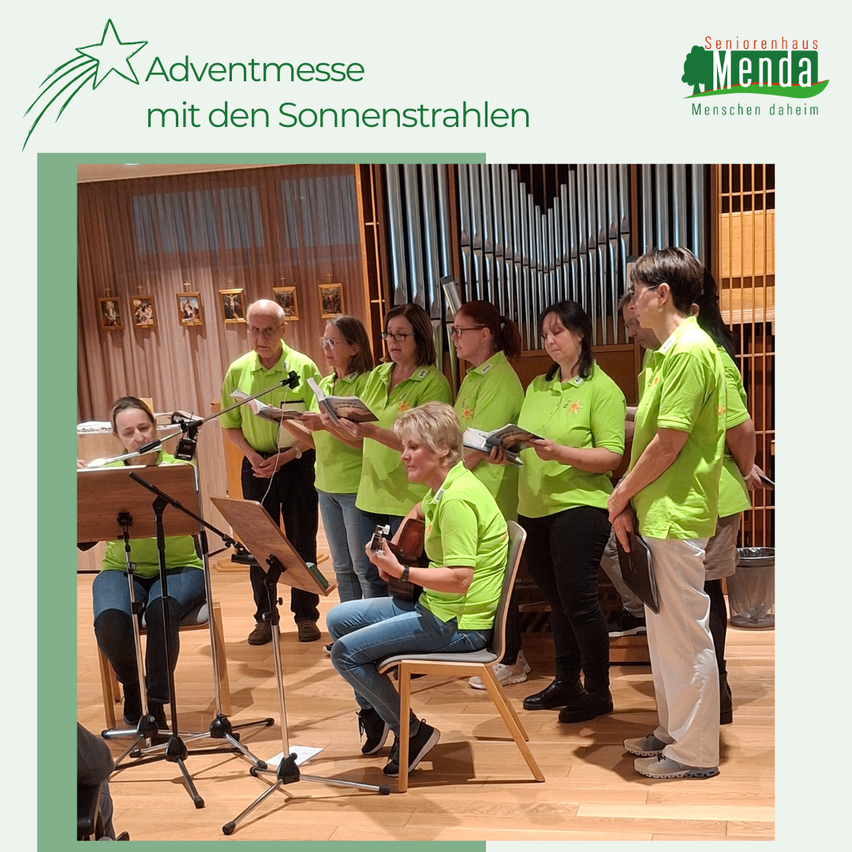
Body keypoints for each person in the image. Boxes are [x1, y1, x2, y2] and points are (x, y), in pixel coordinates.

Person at [326, 403, 509, 777]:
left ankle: (411, 732)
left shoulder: (457, 499)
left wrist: (402, 569)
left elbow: (460, 578)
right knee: (338, 619)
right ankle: (377, 712)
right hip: (439, 608)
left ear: (442, 448)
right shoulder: (446, 486)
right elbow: (421, 510)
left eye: (413, 447)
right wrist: (393, 541)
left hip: (458, 625)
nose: (403, 455)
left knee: (344, 654)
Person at [608, 246, 726, 780]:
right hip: (659, 513)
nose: (631, 304)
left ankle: (695, 753)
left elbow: (669, 442)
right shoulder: (668, 351)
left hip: (676, 513)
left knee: (685, 635)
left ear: (662, 295)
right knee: (664, 635)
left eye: (636, 293)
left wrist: (620, 493)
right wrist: (630, 500)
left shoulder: (689, 350)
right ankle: (673, 730)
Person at [515, 301, 626, 724]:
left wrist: (560, 452)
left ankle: (599, 690)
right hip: (535, 506)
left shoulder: (602, 388)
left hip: (581, 506)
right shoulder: (537, 388)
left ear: (581, 334)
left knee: (579, 603)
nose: (549, 340)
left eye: (558, 331)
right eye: (545, 333)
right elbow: (528, 442)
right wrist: (506, 450)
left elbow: (612, 456)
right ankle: (567, 681)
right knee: (556, 601)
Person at [90, 397, 206, 730]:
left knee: (160, 610)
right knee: (109, 620)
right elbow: (84, 539)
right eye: (129, 432)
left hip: (180, 566)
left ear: (155, 428)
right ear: (117, 437)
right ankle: (131, 686)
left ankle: (155, 700)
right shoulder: (106, 474)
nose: (139, 437)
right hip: (120, 567)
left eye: (144, 428)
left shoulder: (179, 468)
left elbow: (193, 519)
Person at [220, 299, 323, 644]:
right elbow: (230, 423)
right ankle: (265, 616)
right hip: (257, 465)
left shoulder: (304, 367)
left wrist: (289, 455)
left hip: (296, 462)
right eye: (254, 330)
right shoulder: (238, 370)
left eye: (268, 330)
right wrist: (250, 456)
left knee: (301, 539)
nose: (260, 337)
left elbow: (320, 428)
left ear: (283, 329)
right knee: (258, 544)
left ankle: (306, 615)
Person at [694, 267, 768, 725]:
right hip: (695, 496)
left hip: (714, 497)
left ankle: (717, 688)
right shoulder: (668, 353)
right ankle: (706, 688)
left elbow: (740, 428)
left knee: (707, 593)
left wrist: (745, 468)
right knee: (698, 595)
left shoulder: (710, 353)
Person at [449, 300, 530, 688]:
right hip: (474, 491)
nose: (454, 338)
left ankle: (511, 657)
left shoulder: (499, 378)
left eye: (459, 331)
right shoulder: (474, 375)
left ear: (485, 334)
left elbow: (481, 447)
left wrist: (446, 483)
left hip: (492, 493)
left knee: (501, 579)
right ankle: (501, 651)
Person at [337, 303, 452, 562]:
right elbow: (360, 434)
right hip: (370, 495)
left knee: (404, 575)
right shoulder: (378, 374)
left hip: (408, 499)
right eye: (388, 334)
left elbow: (425, 444)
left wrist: (372, 431)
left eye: (401, 334)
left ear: (420, 338)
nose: (392, 341)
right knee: (370, 573)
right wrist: (332, 422)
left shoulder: (433, 382)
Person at [282, 315, 380, 602]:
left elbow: (360, 437)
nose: (326, 347)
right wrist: (284, 420)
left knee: (362, 566)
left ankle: (371, 633)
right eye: (323, 342)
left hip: (354, 485)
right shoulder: (324, 383)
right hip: (325, 485)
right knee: (341, 567)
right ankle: (348, 629)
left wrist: (324, 424)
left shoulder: (365, 383)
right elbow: (315, 439)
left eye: (332, 342)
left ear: (354, 347)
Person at [601, 294, 660, 639]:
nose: (631, 332)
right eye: (626, 324)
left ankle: (638, 612)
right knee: (613, 543)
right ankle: (637, 612)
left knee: (616, 543)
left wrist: (622, 489)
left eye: (635, 322)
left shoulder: (684, 355)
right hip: (641, 477)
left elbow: (664, 436)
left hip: (658, 485)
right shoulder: (651, 359)